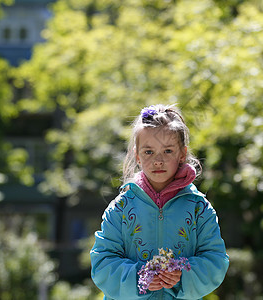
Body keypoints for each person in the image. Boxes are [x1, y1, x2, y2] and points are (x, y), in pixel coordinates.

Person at [90, 104, 229, 299]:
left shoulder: (198, 208)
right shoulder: (121, 207)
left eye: (168, 151)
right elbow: (102, 263)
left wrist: (182, 276)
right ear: (137, 155)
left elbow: (215, 260)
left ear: (182, 155)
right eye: (149, 152)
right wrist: (140, 277)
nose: (158, 160)